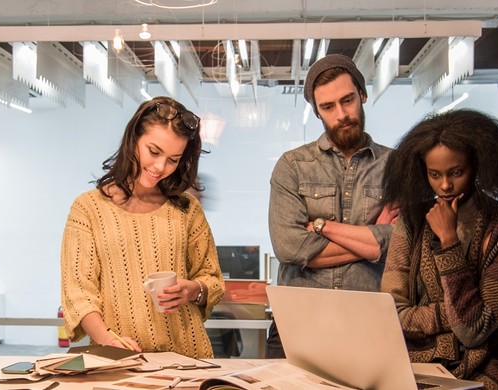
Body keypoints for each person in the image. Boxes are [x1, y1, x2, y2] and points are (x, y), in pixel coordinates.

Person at [379, 109, 498, 390]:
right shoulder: (412, 220)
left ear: (477, 166)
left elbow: (474, 330)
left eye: (456, 172)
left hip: (486, 368)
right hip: (414, 364)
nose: (445, 185)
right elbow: (392, 314)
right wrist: (449, 314)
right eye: (434, 174)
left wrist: (448, 242)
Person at [60, 96, 225, 359]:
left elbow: (212, 278)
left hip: (188, 360)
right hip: (116, 361)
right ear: (133, 139)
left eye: (174, 159)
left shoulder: (187, 209)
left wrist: (192, 290)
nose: (161, 167)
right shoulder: (88, 208)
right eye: (154, 151)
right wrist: (106, 339)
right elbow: (79, 292)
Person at [266, 54, 397, 358]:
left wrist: (324, 228)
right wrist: (372, 242)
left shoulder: (395, 166)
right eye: (328, 107)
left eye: (348, 100)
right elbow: (289, 249)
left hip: (369, 324)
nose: (341, 114)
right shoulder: (292, 166)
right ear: (317, 112)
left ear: (362, 95)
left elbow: (400, 244)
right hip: (297, 323)